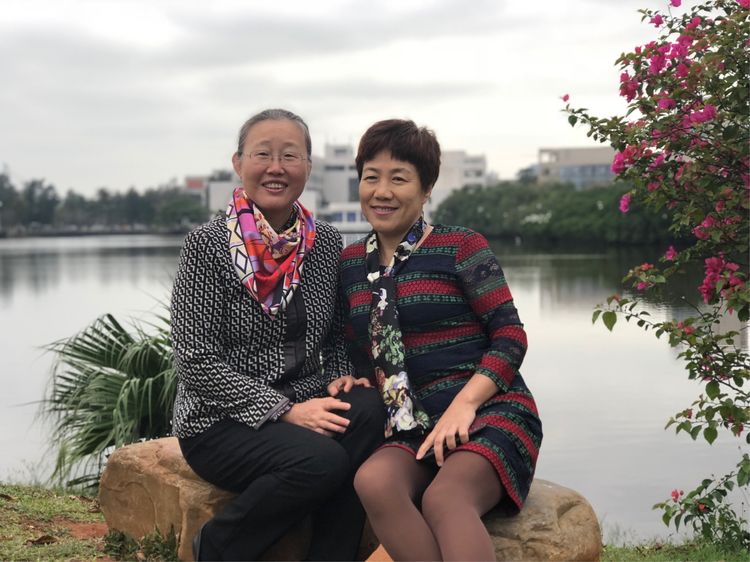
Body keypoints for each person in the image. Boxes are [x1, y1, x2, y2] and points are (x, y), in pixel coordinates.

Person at [170, 108, 385, 562]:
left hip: (304, 396)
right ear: (238, 163)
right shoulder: (207, 245)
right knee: (322, 461)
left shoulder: (325, 243)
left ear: (308, 166)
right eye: (262, 154)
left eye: (290, 155)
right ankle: (218, 547)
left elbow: (338, 335)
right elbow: (194, 360)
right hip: (218, 419)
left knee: (369, 410)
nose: (276, 167)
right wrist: (284, 411)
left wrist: (341, 375)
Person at [340, 119, 542, 561]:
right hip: (411, 423)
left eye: (399, 178)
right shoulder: (351, 263)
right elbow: (352, 344)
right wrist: (348, 375)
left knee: (444, 498)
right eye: (371, 177)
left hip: (487, 412)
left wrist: (465, 404)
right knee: (373, 481)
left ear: (426, 188)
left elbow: (510, 336)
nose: (382, 191)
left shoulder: (460, 246)